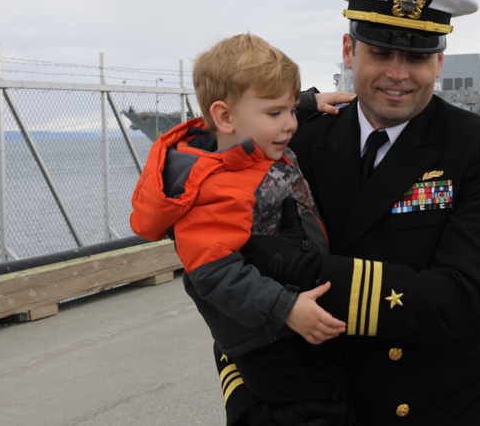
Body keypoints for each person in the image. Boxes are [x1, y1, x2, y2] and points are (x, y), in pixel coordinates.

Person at [239, 0, 480, 424]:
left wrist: (291, 267)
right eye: (380, 52)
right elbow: (221, 274)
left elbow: (466, 306)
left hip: (444, 410)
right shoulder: (301, 144)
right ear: (349, 51)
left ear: (439, 62)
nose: (398, 73)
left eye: (416, 56)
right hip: (322, 408)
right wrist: (247, 398)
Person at [129, 33, 357, 426]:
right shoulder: (217, 187)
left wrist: (304, 102)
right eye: (276, 114)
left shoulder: (246, 147)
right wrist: (286, 309)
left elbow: (260, 115)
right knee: (323, 408)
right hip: (269, 336)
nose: (289, 125)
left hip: (276, 319)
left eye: (290, 110)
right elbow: (213, 274)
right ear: (225, 117)